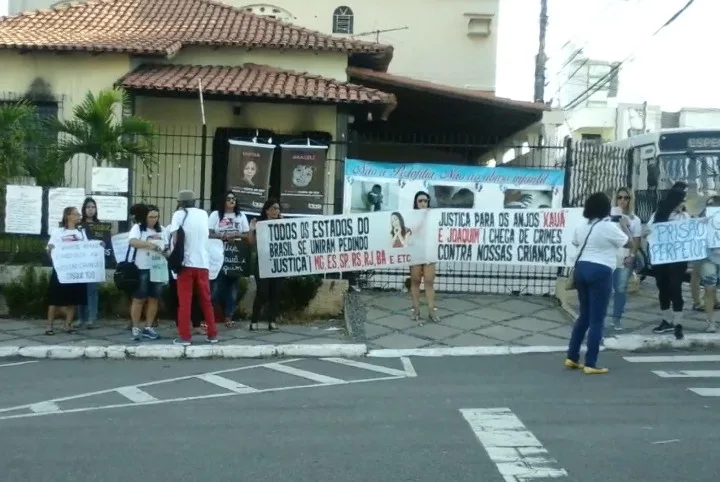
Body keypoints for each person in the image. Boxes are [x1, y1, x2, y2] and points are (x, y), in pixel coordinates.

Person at [565, 192, 633, 375]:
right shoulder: (608, 227)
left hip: (581, 270)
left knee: (584, 315)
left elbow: (575, 242)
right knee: (597, 319)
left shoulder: (581, 225)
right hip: (600, 271)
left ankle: (572, 356)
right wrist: (625, 226)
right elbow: (629, 243)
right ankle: (591, 362)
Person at [168, 190, 218, 345]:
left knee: (185, 302)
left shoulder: (179, 215)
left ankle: (185, 337)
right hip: (202, 263)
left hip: (185, 264)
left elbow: (176, 239)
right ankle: (212, 335)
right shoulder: (203, 214)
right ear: (194, 201)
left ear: (180, 202)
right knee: (206, 301)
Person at [647, 188, 689, 337]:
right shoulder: (657, 216)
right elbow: (649, 231)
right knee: (663, 287)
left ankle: (678, 322)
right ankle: (666, 319)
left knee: (675, 287)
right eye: (681, 201)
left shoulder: (684, 216)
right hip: (661, 258)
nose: (683, 204)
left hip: (678, 259)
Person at [208, 190, 249, 328]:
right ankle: (209, 316)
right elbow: (209, 233)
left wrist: (235, 235)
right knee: (215, 286)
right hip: (217, 253)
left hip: (235, 255)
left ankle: (228, 316)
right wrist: (223, 237)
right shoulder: (215, 215)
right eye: (229, 198)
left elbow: (246, 234)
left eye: (234, 199)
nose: (232, 201)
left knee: (232, 288)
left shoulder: (241, 215)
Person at [45, 206, 89, 335]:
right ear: (68, 216)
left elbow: (87, 248)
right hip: (61, 271)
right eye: (76, 214)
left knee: (73, 299)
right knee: (54, 300)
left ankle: (67, 324)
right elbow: (49, 249)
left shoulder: (81, 233)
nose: (79, 216)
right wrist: (50, 249)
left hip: (76, 271)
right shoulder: (58, 232)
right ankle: (49, 325)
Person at [127, 204, 165, 341]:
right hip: (142, 267)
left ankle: (148, 327)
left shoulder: (162, 230)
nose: (154, 219)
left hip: (157, 268)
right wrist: (151, 245)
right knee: (139, 298)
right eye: (151, 217)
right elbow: (132, 242)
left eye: (156, 216)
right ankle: (135, 327)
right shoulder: (138, 228)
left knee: (154, 298)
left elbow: (166, 246)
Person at [609, 187, 642, 331]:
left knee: (620, 289)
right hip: (608, 256)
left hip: (624, 257)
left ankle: (616, 318)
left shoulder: (634, 220)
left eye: (626, 198)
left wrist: (632, 255)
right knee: (604, 288)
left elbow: (636, 240)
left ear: (630, 200)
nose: (622, 200)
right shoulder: (607, 215)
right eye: (620, 197)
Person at [247, 199, 283, 331]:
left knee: (276, 292)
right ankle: (254, 320)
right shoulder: (260, 224)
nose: (276, 211)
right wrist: (252, 229)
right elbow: (251, 243)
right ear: (267, 210)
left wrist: (283, 224)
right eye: (274, 208)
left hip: (278, 262)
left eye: (278, 209)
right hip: (262, 262)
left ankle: (272, 321)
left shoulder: (281, 224)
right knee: (262, 292)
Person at [408, 191, 439, 323]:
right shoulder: (411, 216)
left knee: (429, 282)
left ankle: (432, 310)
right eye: (420, 201)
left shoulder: (433, 215)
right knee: (415, 281)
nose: (423, 203)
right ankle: (416, 310)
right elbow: (411, 231)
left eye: (425, 201)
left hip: (429, 251)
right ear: (416, 202)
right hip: (416, 251)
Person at [77, 197, 100, 328]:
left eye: (93, 207)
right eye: (88, 207)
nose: (90, 210)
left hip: (93, 263)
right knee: (80, 290)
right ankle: (80, 318)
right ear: (84, 209)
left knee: (92, 290)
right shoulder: (78, 225)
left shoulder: (100, 226)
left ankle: (92, 317)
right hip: (80, 262)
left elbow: (106, 243)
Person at [699, 196, 720, 332]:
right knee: (709, 290)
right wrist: (701, 222)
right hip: (708, 259)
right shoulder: (703, 217)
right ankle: (711, 322)